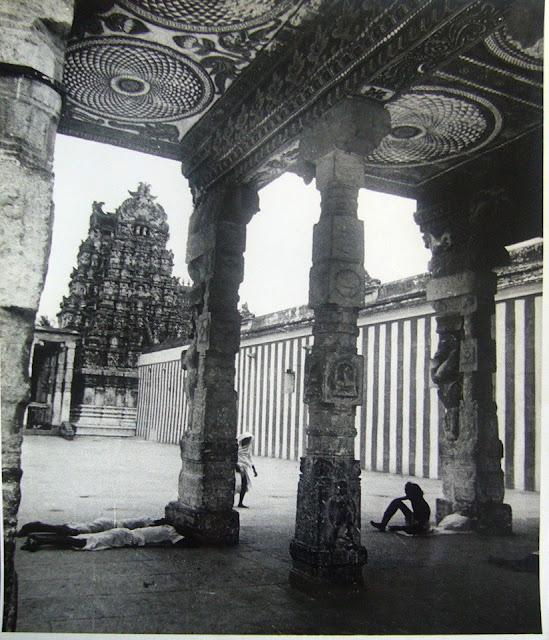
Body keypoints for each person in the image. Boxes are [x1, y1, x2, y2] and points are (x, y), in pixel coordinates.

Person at [18, 516, 198, 552]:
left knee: (79, 535)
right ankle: (39, 537)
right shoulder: (171, 532)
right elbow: (185, 543)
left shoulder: (157, 523)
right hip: (124, 536)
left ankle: (39, 534)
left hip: (117, 529)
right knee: (82, 540)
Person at [235, 431, 257, 508]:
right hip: (236, 466)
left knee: (244, 485)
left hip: (244, 467)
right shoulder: (237, 446)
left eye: (249, 440)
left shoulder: (248, 448)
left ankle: (240, 502)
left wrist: (254, 469)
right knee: (236, 484)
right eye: (246, 439)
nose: (247, 441)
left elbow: (249, 458)